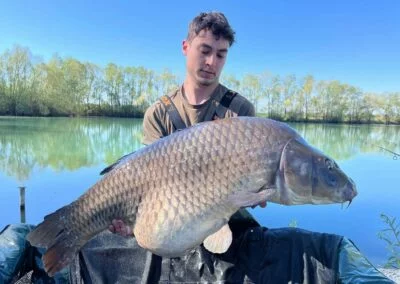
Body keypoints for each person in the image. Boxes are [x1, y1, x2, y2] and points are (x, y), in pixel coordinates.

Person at [1, 11, 394, 284]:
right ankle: (71, 227)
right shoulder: (159, 113)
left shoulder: (240, 112)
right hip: (168, 218)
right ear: (186, 47)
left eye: (220, 54)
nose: (211, 61)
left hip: (222, 223)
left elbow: (248, 197)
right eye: (204, 50)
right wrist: (126, 219)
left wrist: (256, 195)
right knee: (114, 228)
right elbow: (146, 184)